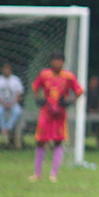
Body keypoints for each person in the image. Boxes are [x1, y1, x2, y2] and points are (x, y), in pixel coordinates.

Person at [30, 52, 83, 182]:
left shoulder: (68, 77)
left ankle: (54, 173)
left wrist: (70, 101)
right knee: (41, 141)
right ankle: (37, 173)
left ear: (63, 63)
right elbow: (35, 86)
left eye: (59, 61)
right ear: (51, 62)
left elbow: (79, 91)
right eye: (55, 61)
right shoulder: (44, 74)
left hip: (59, 115)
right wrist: (38, 99)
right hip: (46, 113)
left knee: (58, 141)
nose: (57, 63)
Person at [0, 62, 24, 145]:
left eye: (8, 69)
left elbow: (19, 93)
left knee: (17, 111)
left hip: (13, 103)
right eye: (4, 69)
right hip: (1, 103)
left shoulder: (16, 80)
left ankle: (8, 127)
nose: (6, 70)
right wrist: (2, 103)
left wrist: (12, 103)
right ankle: (3, 128)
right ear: (2, 70)